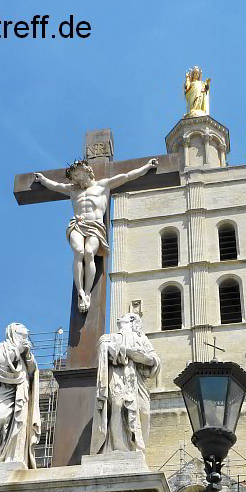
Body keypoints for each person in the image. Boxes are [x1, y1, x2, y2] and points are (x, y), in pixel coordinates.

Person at [34, 158, 158, 312]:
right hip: (77, 225)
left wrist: (146, 167)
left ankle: (87, 292)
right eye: (75, 178)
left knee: (89, 253)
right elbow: (56, 186)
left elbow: (127, 176)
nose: (77, 180)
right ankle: (80, 291)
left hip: (96, 227)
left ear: (88, 172)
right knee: (78, 251)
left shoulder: (102, 185)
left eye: (79, 176)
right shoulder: (73, 190)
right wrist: (43, 180)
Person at [91, 312, 161, 454]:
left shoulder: (142, 339)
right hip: (117, 377)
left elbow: (155, 360)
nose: (119, 318)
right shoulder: (109, 337)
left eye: (126, 317)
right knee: (117, 406)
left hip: (137, 381)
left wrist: (144, 359)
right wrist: (127, 351)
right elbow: (103, 349)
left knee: (144, 412)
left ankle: (138, 447)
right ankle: (119, 448)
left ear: (133, 322)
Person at [0, 323, 40, 468]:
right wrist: (17, 352)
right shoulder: (0, 347)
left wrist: (27, 355)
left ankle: (13, 457)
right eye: (21, 327)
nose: (26, 329)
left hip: (21, 391)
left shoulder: (25, 349)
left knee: (20, 423)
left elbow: (33, 371)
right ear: (13, 331)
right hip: (3, 391)